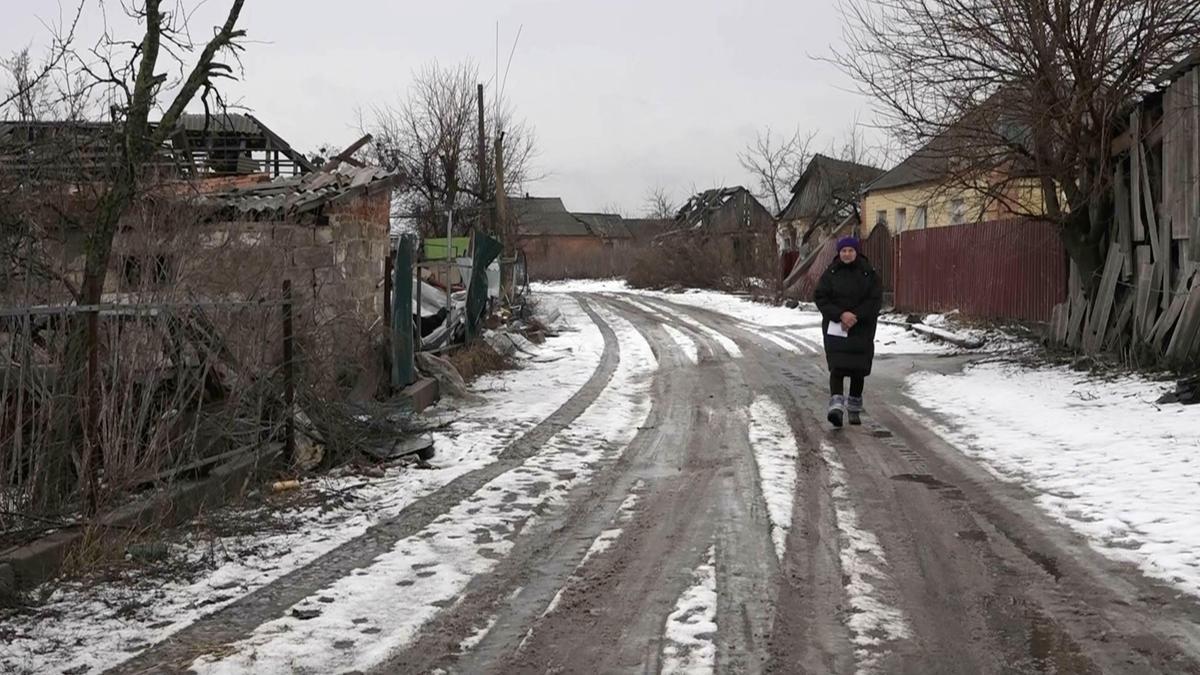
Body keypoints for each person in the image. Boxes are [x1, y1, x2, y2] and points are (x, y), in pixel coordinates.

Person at [814, 236, 883, 427]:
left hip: (861, 327)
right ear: (839, 252)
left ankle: (854, 407)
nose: (846, 254)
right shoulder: (831, 273)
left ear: (857, 252)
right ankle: (836, 407)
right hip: (837, 327)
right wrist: (841, 314)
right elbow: (820, 297)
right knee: (837, 367)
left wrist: (855, 316)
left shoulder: (868, 273)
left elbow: (875, 299)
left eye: (850, 251)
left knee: (857, 369)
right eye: (843, 251)